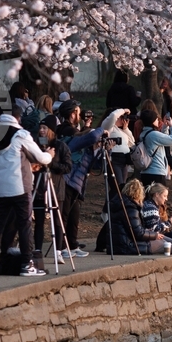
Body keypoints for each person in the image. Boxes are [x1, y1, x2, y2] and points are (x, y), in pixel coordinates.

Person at [0, 107, 53, 276]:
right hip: (19, 187)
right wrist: (49, 154)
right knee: (24, 225)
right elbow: (41, 158)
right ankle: (26, 265)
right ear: (18, 118)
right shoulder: (20, 135)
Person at [55, 100, 126, 258]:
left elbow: (96, 166)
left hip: (77, 183)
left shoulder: (84, 141)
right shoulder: (74, 136)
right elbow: (93, 135)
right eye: (78, 111)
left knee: (73, 216)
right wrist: (102, 130)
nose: (80, 114)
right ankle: (60, 248)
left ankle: (72, 245)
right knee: (64, 215)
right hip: (68, 179)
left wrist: (106, 150)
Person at [32, 116, 71, 268]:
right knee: (39, 221)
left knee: (57, 221)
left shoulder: (60, 146)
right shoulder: (35, 145)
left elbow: (67, 167)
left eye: (44, 128)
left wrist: (50, 161)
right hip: (39, 189)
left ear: (51, 131)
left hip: (56, 189)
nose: (41, 131)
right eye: (40, 128)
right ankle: (37, 250)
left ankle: (58, 251)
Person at [136, 109, 172, 187]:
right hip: (156, 173)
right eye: (156, 119)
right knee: (159, 194)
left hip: (145, 172)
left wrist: (165, 127)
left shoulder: (144, 133)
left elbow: (162, 139)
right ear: (152, 121)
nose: (158, 121)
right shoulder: (153, 135)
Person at [108, 109, 136, 187]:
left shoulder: (122, 130)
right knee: (117, 184)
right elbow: (113, 116)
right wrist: (123, 110)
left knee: (123, 184)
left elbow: (132, 143)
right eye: (122, 118)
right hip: (115, 159)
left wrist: (126, 129)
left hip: (124, 160)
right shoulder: (110, 128)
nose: (124, 120)